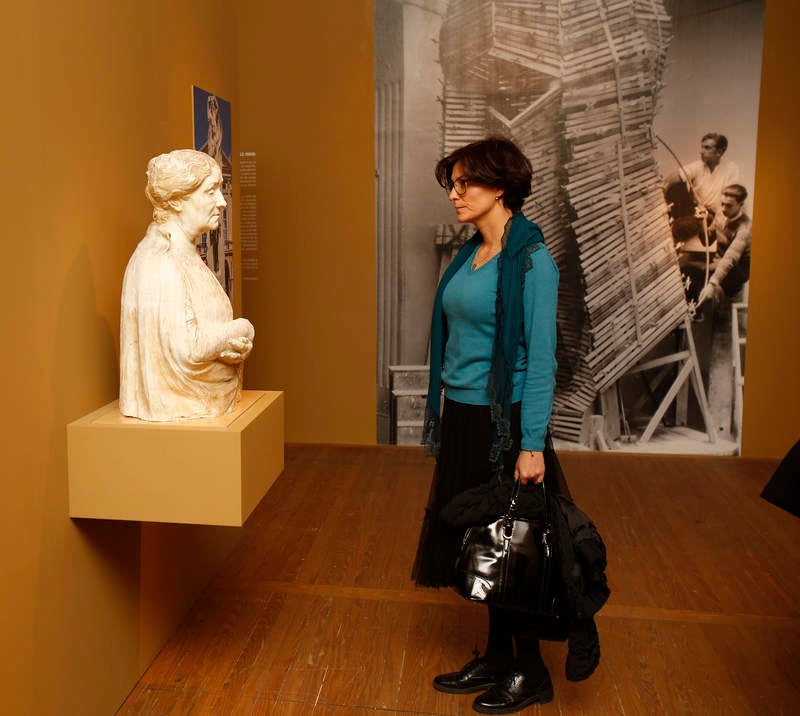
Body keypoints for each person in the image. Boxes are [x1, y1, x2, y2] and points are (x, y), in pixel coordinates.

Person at [411, 137, 598, 713]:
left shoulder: (533, 262)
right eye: (452, 183)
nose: (455, 194)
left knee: (517, 545)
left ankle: (531, 671)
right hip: (466, 415)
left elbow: (541, 359)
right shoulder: (472, 254)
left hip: (507, 423)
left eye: (465, 182)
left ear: (501, 186)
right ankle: (497, 656)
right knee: (484, 543)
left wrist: (532, 444)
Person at [119, 149, 254, 421]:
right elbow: (187, 349)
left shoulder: (186, 255)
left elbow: (199, 336)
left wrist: (232, 348)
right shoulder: (160, 262)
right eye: (210, 191)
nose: (222, 202)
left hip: (208, 404)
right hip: (183, 406)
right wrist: (242, 328)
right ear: (178, 200)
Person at [697, 183, 752, 305]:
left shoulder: (745, 228)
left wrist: (712, 283)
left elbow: (730, 259)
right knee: (690, 268)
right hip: (719, 263)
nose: (723, 209)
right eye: (722, 204)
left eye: (729, 206)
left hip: (736, 272)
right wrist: (704, 221)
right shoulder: (721, 215)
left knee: (713, 295)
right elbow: (706, 241)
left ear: (740, 205)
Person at [666, 132, 739, 217]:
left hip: (719, 217)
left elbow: (731, 198)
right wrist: (663, 195)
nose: (701, 152)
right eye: (702, 147)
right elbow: (671, 178)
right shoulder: (698, 166)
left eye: (707, 148)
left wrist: (716, 218)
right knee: (678, 187)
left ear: (719, 152)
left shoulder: (731, 168)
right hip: (698, 213)